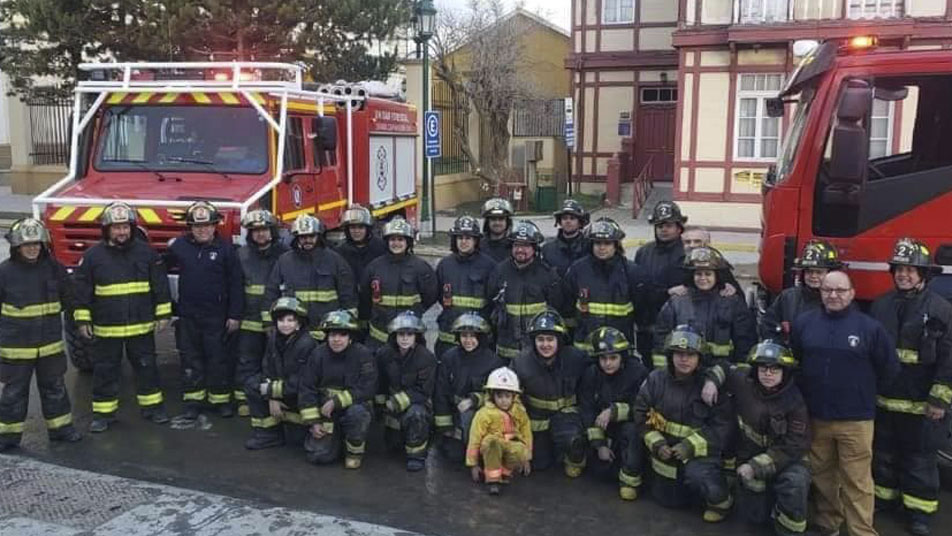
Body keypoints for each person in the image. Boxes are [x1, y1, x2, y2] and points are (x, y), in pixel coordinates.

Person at [790, 271, 900, 536]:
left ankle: (861, 531)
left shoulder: (869, 328)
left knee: (857, 481)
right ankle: (828, 525)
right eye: (828, 290)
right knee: (822, 476)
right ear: (820, 292)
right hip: (817, 416)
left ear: (852, 293)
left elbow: (890, 369)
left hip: (856, 419)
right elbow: (795, 361)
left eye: (840, 290)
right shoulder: (804, 323)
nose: (833, 295)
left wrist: (863, 394)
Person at [869, 239, 952, 536]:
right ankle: (885, 500)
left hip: (921, 405)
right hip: (885, 400)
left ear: (923, 274)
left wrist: (939, 401)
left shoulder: (941, 310)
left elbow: (948, 360)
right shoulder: (881, 305)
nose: (903, 274)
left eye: (910, 269)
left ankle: (919, 513)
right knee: (884, 455)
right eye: (899, 269)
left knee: (919, 460)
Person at [73, 202, 172, 433]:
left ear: (132, 228)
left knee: (147, 367)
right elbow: (82, 292)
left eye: (125, 227)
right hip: (107, 328)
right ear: (106, 229)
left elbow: (160, 286)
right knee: (105, 371)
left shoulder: (147, 253)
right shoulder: (92, 257)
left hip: (141, 326)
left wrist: (163, 314)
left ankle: (153, 409)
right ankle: (103, 415)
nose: (121, 232)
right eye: (116, 228)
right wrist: (83, 320)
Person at [633, 325, 734, 523]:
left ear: (700, 357)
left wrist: (689, 446)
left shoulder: (710, 388)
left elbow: (722, 428)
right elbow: (639, 415)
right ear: (670, 356)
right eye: (678, 354)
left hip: (700, 455)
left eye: (690, 354)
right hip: (665, 450)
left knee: (700, 477)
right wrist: (657, 444)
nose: (684, 359)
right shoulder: (655, 380)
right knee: (669, 500)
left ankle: (721, 502)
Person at [0, 219, 82, 451]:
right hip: (16, 349)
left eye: (37, 244)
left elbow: (70, 298)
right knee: (14, 394)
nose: (33, 248)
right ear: (17, 246)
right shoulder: (4, 272)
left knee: (55, 389)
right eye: (27, 245)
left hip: (50, 347)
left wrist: (81, 321)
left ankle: (61, 429)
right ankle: (7, 436)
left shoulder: (54, 268)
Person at [165, 201, 243, 421]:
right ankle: (194, 402)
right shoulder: (178, 247)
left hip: (217, 316)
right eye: (197, 226)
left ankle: (220, 402)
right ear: (190, 227)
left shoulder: (226, 250)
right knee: (191, 360)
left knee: (218, 359)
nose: (202, 230)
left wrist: (234, 315)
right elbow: (161, 272)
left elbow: (236, 284)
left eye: (207, 225)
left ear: (214, 226)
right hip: (188, 316)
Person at [726, 341, 811, 536]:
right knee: (756, 518)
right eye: (763, 368)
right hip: (750, 456)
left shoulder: (795, 401)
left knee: (795, 484)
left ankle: (789, 531)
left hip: (788, 461)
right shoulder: (743, 383)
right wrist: (711, 382)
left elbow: (794, 445)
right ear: (755, 370)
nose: (768, 374)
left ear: (785, 372)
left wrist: (755, 466)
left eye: (775, 369)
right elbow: (722, 367)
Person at [511, 310, 588, 477]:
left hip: (568, 417)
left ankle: (573, 457)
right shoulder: (521, 362)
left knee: (573, 440)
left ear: (559, 340)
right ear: (533, 341)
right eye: (540, 339)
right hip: (537, 419)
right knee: (539, 464)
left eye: (550, 339)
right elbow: (510, 397)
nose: (545, 345)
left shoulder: (576, 358)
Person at [653, 246, 756, 371]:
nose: (703, 278)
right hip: (685, 371)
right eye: (698, 274)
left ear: (717, 276)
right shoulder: (677, 302)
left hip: (722, 370)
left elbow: (744, 340)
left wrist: (741, 373)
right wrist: (664, 374)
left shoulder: (732, 302)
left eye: (708, 274)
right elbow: (661, 338)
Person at [299, 309, 377, 469]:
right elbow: (307, 389)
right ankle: (336, 441)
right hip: (326, 413)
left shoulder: (363, 355)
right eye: (333, 335)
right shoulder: (317, 355)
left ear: (350, 338)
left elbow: (367, 387)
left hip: (353, 408)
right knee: (318, 456)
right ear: (326, 336)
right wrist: (313, 422)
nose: (337, 340)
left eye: (342, 335)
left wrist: (336, 402)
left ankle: (353, 452)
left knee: (358, 414)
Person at [579, 327, 648, 500]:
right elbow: (587, 409)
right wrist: (599, 444)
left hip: (628, 427)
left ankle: (630, 482)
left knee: (632, 432)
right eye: (603, 358)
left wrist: (614, 411)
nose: (607, 363)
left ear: (622, 356)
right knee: (602, 473)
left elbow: (644, 409)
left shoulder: (638, 373)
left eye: (613, 358)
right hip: (603, 430)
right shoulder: (591, 374)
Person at [264, 214, 356, 340]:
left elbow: (348, 295)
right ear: (297, 238)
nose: (307, 240)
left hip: (327, 333)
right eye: (303, 237)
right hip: (294, 333)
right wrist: (269, 322)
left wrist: (346, 325)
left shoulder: (335, 260)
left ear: (319, 236)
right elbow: (271, 291)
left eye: (311, 236)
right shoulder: (284, 261)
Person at [234, 209, 289, 416]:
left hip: (278, 322)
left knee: (276, 363)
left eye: (264, 230)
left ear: (272, 231)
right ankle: (244, 399)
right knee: (247, 361)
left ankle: (276, 398)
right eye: (255, 230)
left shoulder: (285, 255)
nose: (260, 234)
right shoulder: (241, 255)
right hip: (249, 320)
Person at [242, 297, 316, 450]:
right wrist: (271, 397)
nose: (285, 324)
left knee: (299, 441)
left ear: (299, 323)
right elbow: (267, 368)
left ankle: (296, 427)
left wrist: (271, 392)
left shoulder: (307, 344)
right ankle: (268, 435)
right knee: (252, 384)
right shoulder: (274, 338)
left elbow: (302, 381)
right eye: (281, 320)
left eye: (290, 320)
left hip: (300, 397)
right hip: (280, 390)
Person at [487, 220, 565, 360]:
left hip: (537, 354)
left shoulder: (548, 275)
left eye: (526, 246)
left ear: (535, 248)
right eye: (517, 245)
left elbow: (558, 309)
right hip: (505, 353)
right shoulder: (499, 272)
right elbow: (490, 306)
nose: (520, 250)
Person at [562, 218, 641, 354]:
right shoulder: (578, 270)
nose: (602, 247)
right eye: (597, 243)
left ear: (616, 245)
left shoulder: (631, 271)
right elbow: (567, 307)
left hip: (618, 349)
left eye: (607, 243)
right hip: (585, 348)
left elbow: (641, 308)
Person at [434, 312, 504, 462]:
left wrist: (473, 400)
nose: (468, 340)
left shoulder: (493, 362)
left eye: (473, 336)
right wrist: (445, 427)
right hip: (454, 412)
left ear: (481, 337)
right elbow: (440, 392)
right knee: (454, 456)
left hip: (480, 415)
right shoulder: (449, 358)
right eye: (464, 336)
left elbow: (499, 396)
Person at [360, 217, 437, 350]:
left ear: (408, 242)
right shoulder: (374, 267)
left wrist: (416, 311)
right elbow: (365, 296)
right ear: (387, 242)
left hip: (410, 338)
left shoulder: (420, 268)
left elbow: (431, 295)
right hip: (379, 339)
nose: (396, 243)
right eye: (393, 239)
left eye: (400, 239)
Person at [377, 311, 437, 472]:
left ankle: (416, 456)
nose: (404, 338)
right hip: (390, 406)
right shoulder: (384, 354)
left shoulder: (426, 358)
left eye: (409, 334)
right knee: (393, 446)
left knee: (416, 415)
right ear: (394, 335)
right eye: (401, 334)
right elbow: (379, 383)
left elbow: (424, 391)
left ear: (416, 337)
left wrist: (395, 402)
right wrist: (379, 405)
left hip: (416, 404)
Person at [633, 200, 689, 363]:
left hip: (679, 325)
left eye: (668, 225)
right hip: (647, 323)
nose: (663, 229)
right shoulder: (643, 252)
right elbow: (638, 286)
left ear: (679, 228)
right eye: (659, 226)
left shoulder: (689, 253)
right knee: (649, 364)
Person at [434, 215, 496, 358]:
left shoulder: (489, 266)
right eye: (460, 237)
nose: (464, 241)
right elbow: (437, 295)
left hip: (478, 338)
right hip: (447, 338)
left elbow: (493, 300)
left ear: (476, 240)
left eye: (468, 238)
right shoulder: (445, 265)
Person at [466, 366, 532, 496]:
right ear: (492, 395)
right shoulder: (484, 414)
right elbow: (475, 439)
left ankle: (506, 473)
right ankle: (493, 480)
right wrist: (473, 464)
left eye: (508, 396)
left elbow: (526, 434)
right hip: (492, 447)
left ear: (514, 396)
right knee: (492, 443)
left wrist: (527, 458)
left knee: (520, 449)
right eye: (499, 396)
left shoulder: (520, 412)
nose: (504, 400)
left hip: (511, 445)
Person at [761, 240, 844, 341]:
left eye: (819, 272)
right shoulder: (788, 297)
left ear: (831, 273)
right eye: (809, 271)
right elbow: (768, 326)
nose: (813, 276)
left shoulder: (840, 301)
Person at [669, 226, 739, 298]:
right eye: (687, 242)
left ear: (708, 243)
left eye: (697, 241)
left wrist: (733, 289)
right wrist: (669, 291)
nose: (692, 245)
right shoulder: (674, 265)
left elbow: (740, 298)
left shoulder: (719, 265)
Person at [333, 204, 387, 288]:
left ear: (367, 229)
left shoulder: (381, 248)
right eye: (353, 227)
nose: (356, 231)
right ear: (347, 230)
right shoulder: (340, 252)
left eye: (361, 227)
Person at [541, 199, 590, 278]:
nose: (568, 221)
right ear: (559, 221)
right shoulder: (548, 249)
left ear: (580, 222)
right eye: (564, 218)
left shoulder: (589, 248)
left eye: (572, 218)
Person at [481, 198, 514, 263]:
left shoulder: (513, 246)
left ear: (507, 222)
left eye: (501, 219)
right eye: (493, 219)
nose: (497, 223)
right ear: (487, 222)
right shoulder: (478, 246)